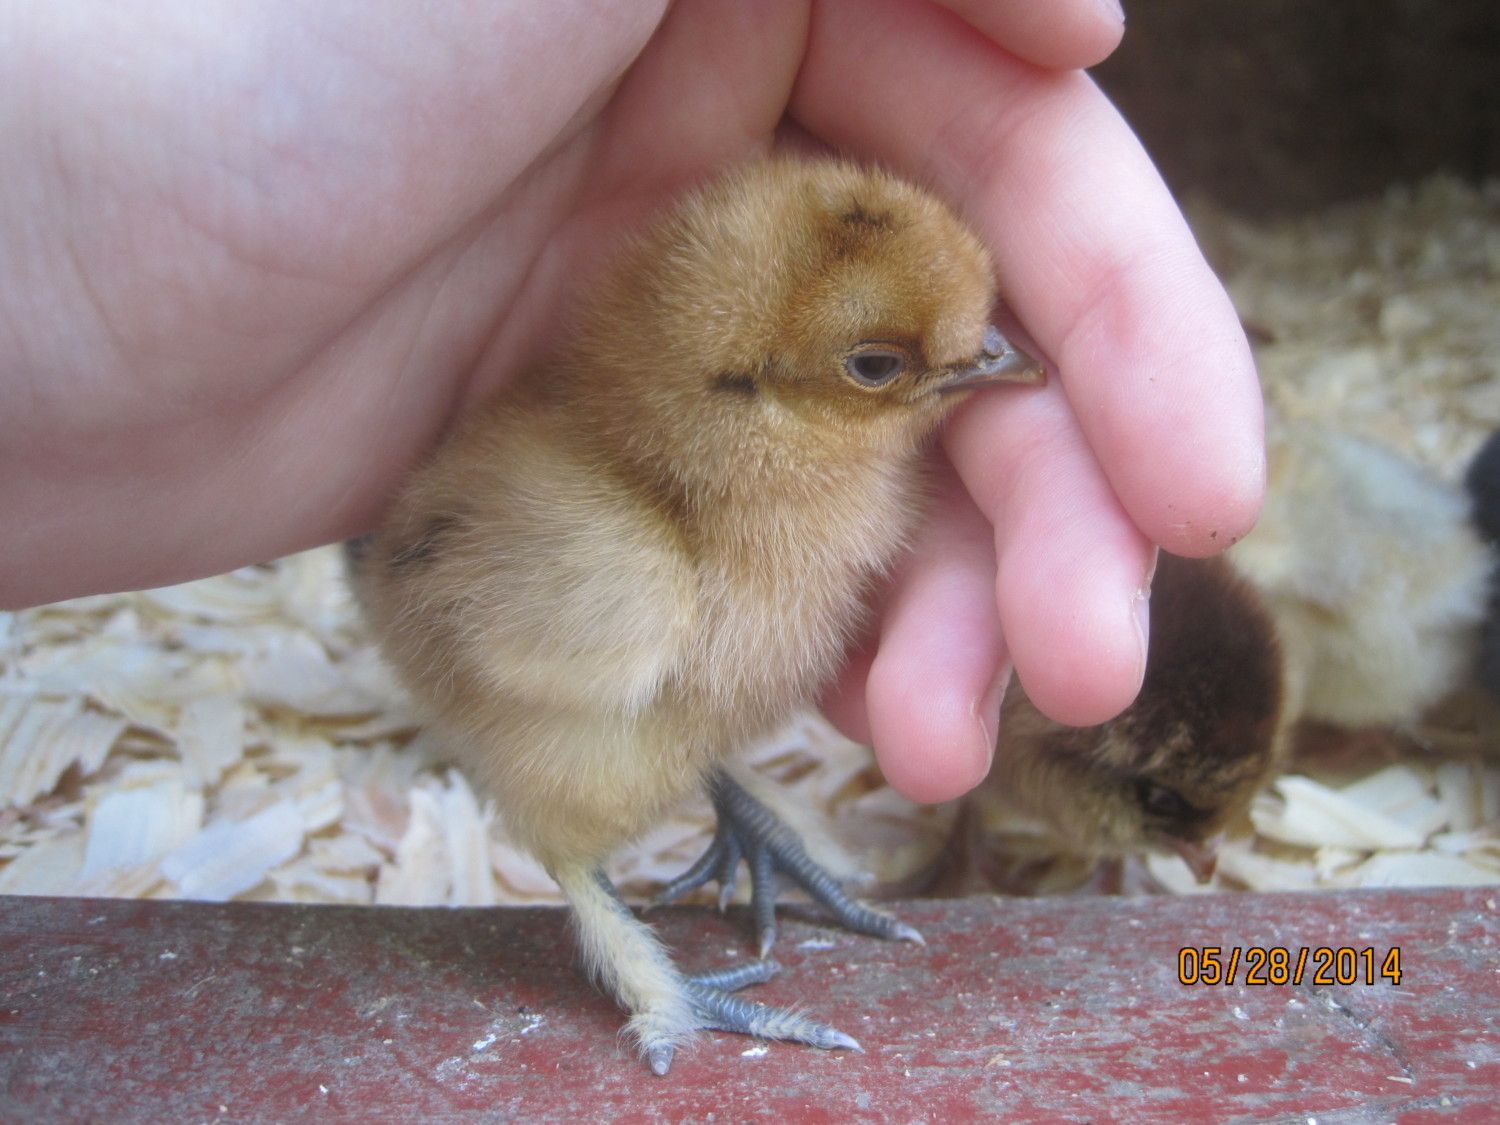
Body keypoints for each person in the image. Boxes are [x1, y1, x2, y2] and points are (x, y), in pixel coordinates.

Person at [0, 0, 1263, 805]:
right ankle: (614, 933)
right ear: (742, 390)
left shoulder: (719, 470)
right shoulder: (625, 570)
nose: (985, 359)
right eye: (882, 365)